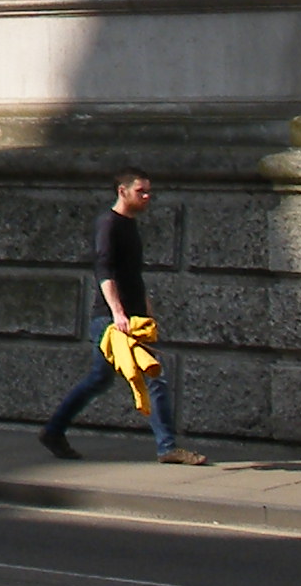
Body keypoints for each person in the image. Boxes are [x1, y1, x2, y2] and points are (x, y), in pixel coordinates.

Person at [41, 171, 209, 465]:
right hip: (112, 322)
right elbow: (104, 272)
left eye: (149, 192)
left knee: (99, 380)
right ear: (122, 190)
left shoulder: (130, 226)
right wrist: (118, 314)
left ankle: (54, 430)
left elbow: (132, 276)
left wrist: (147, 310)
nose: (147, 197)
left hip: (131, 319)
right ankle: (167, 447)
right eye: (141, 191)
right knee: (155, 376)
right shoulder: (108, 224)